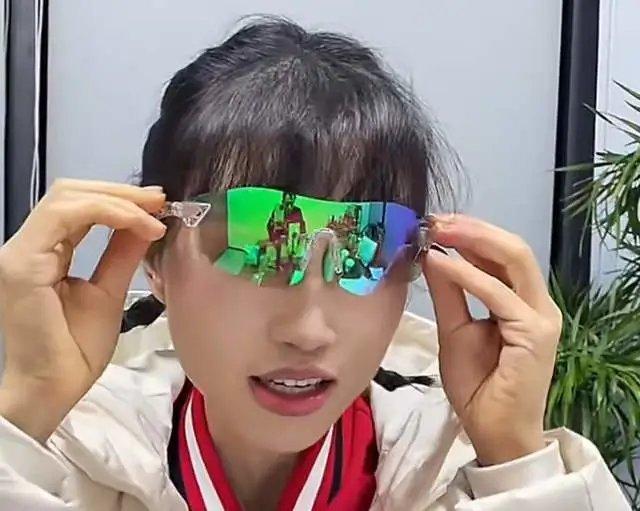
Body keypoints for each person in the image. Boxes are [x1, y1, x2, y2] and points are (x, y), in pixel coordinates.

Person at [0, 17, 630, 511]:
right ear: (152, 255)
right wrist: (27, 409)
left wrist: (514, 459)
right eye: (257, 243)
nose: (309, 330)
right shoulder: (62, 455)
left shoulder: (455, 473)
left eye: (366, 246)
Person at [267, 192, 306, 269]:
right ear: (283, 201)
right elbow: (270, 225)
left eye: (291, 202)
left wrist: (302, 236)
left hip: (293, 239)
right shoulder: (278, 210)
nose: (289, 205)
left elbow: (302, 227)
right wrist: (274, 238)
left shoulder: (297, 211)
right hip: (280, 239)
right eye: (287, 202)